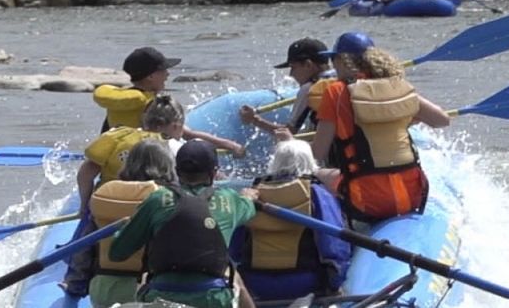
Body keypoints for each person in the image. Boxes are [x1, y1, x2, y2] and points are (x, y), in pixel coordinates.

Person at [310, 32, 452, 224]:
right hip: (413, 195)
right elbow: (442, 120)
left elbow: (317, 154)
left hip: (366, 200)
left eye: (334, 59)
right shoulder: (398, 86)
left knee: (315, 174)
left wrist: (289, 143)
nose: (333, 66)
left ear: (343, 61)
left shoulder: (335, 92)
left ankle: (336, 243)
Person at [107, 140, 261, 308]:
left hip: (161, 296)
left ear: (177, 171)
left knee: (144, 280)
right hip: (212, 298)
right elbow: (249, 204)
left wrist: (126, 228)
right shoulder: (230, 200)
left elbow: (117, 253)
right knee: (234, 277)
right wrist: (249, 196)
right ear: (214, 173)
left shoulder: (157, 199)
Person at [63, 96, 190, 298]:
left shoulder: (117, 136)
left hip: (110, 202)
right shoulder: (174, 146)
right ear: (176, 125)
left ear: (144, 119)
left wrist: (85, 206)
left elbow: (85, 174)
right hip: (154, 205)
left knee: (87, 234)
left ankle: (75, 280)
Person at [232, 140, 353, 304]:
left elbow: (235, 249)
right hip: (305, 282)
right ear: (310, 161)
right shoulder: (316, 192)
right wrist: (334, 283)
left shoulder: (252, 194)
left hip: (255, 282)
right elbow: (334, 243)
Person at [95, 46, 245, 151]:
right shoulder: (152, 104)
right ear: (151, 76)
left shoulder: (120, 101)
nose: (167, 74)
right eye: (163, 70)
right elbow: (186, 134)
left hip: (118, 162)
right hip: (146, 163)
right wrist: (230, 145)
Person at [87, 140, 179, 308]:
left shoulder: (106, 192)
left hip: (103, 289)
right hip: (145, 288)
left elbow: (87, 247)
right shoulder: (167, 199)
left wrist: (75, 284)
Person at [239, 38, 335, 137]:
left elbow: (289, 132)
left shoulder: (309, 89)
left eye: (293, 67)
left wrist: (255, 120)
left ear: (308, 65)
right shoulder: (341, 78)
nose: (291, 74)